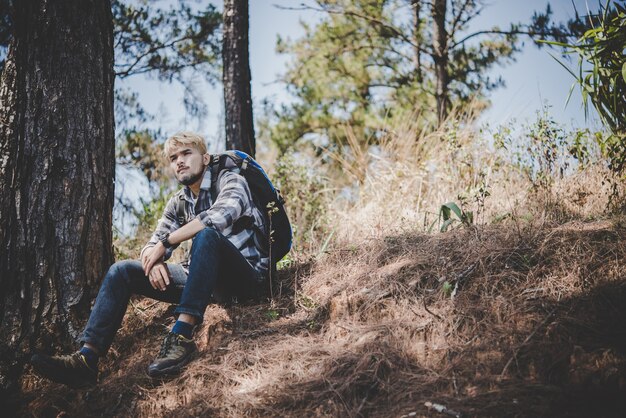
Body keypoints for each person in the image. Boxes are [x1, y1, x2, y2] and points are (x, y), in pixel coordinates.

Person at [31, 132, 269, 387]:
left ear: (206, 158)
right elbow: (151, 244)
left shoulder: (231, 179)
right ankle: (86, 360)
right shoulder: (179, 202)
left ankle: (181, 338)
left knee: (206, 235)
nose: (180, 161)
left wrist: (167, 243)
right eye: (173, 157)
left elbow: (220, 215)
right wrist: (154, 260)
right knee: (122, 271)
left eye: (187, 153)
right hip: (202, 281)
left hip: (245, 278)